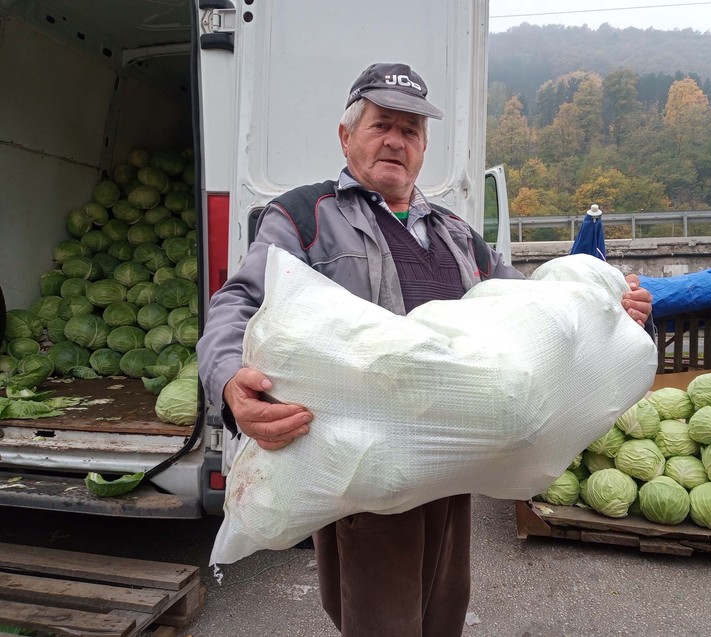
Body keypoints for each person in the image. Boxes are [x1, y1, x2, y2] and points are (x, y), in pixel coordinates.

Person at [197, 62, 653, 637]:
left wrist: (611, 308)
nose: (396, 141)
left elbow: (536, 309)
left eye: (410, 131)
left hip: (449, 457)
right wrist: (229, 378)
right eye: (381, 124)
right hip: (368, 460)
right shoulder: (305, 216)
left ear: (423, 147)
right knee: (381, 617)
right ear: (347, 135)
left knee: (444, 609)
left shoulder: (454, 233)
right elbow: (239, 301)